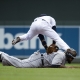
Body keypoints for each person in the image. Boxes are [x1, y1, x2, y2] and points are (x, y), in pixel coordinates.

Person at [0, 43, 77, 68]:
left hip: (41, 61)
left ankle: (4, 60)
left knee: (21, 64)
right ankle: (2, 55)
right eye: (72, 58)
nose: (72, 59)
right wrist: (67, 67)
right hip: (39, 60)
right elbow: (54, 65)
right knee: (21, 64)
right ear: (69, 56)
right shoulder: (61, 55)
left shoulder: (62, 56)